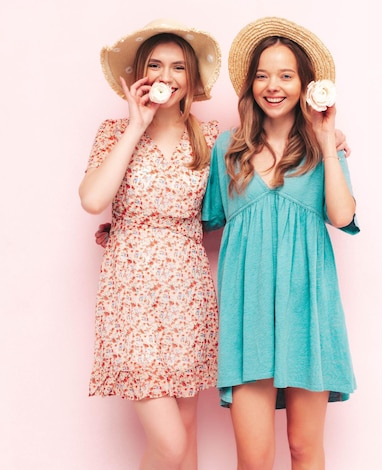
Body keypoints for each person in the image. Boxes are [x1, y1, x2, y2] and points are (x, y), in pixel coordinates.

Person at [202, 16, 359, 469]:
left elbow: (342, 215)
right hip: (247, 316)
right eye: (263, 75)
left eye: (286, 75)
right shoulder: (227, 148)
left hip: (308, 312)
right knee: (253, 460)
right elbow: (204, 220)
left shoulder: (322, 147)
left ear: (305, 85)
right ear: (250, 84)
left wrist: (328, 140)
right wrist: (131, 227)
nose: (273, 86)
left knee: (305, 449)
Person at [78, 19, 221, 470]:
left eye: (178, 67)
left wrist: (326, 139)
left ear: (192, 79)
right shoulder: (112, 131)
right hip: (130, 296)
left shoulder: (212, 139)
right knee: (170, 444)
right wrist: (135, 126)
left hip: (188, 294)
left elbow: (259, 178)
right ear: (140, 74)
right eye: (155, 65)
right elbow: (93, 199)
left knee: (188, 437)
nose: (166, 76)